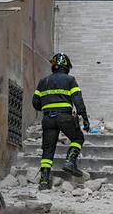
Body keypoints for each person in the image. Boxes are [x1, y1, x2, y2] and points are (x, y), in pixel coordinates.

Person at [32, 53, 90, 190]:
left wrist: (46, 107)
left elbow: (35, 103)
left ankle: (44, 181)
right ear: (67, 67)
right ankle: (70, 162)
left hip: (48, 119)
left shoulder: (43, 82)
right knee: (78, 138)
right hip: (65, 117)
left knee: (48, 150)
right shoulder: (70, 80)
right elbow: (78, 100)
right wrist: (85, 118)